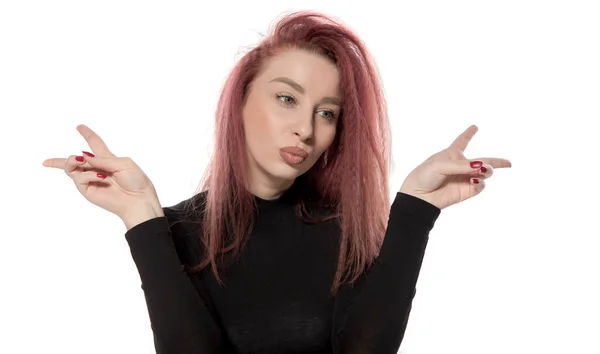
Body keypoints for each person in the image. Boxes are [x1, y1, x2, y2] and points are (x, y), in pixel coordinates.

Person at [43, 10, 511, 354]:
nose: (306, 129)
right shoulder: (174, 231)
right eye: (287, 98)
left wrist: (414, 210)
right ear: (240, 104)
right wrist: (140, 216)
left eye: (326, 112)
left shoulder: (343, 230)